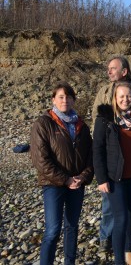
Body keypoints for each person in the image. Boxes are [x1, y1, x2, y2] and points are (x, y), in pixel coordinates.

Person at [92, 55, 131, 251]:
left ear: (124, 71)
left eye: (113, 68)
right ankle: (107, 236)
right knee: (109, 200)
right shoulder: (104, 91)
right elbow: (97, 118)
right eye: (108, 68)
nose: (109, 71)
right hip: (113, 158)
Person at [30, 82, 94, 265]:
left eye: (68, 97)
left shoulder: (82, 125)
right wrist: (65, 179)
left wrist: (83, 176)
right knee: (53, 230)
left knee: (72, 227)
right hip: (53, 184)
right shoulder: (43, 123)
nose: (65, 100)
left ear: (74, 100)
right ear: (53, 100)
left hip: (77, 183)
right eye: (61, 96)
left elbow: (91, 156)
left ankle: (70, 262)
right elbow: (40, 160)